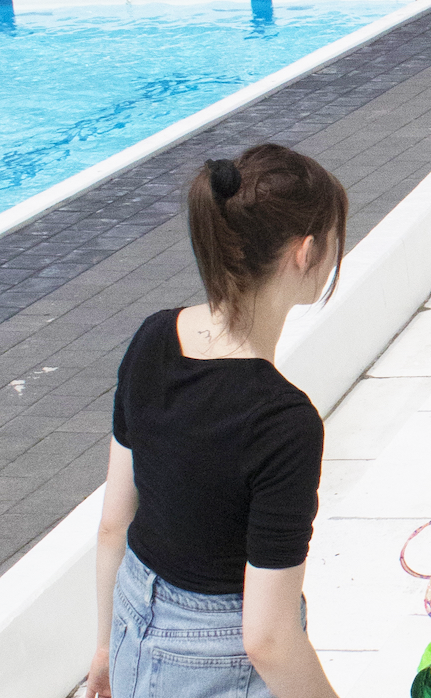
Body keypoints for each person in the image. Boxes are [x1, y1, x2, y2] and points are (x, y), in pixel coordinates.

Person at [85, 144, 350, 698]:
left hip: (134, 616)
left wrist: (107, 644)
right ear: (305, 253)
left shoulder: (154, 336)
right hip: (214, 660)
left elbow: (115, 521)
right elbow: (268, 639)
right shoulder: (284, 422)